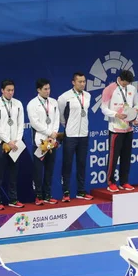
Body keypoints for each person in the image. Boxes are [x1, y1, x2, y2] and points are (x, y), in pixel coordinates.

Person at [101, 70, 138, 192]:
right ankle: (111, 182)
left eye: (127, 84)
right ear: (119, 79)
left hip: (128, 128)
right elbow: (104, 108)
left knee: (126, 156)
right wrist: (116, 114)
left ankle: (124, 181)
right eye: (124, 84)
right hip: (115, 129)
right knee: (114, 157)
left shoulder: (132, 89)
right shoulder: (109, 89)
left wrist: (137, 117)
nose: (125, 86)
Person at [58, 72, 93, 202]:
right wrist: (66, 126)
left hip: (83, 134)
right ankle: (66, 192)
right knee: (67, 164)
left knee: (82, 163)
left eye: (84, 81)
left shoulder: (88, 95)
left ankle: (81, 191)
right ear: (73, 82)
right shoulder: (64, 97)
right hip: (70, 135)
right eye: (80, 82)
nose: (82, 84)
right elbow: (60, 115)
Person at [0, 79, 25, 210]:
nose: (11, 93)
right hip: (2, 144)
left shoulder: (18, 104)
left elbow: (21, 123)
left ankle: (13, 199)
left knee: (13, 173)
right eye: (8, 90)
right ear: (2, 90)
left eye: (12, 90)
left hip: (15, 144)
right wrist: (7, 141)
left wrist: (17, 139)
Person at [26, 78, 60, 205]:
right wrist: (48, 133)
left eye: (49, 88)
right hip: (39, 142)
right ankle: (38, 196)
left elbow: (56, 119)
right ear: (38, 90)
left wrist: (54, 134)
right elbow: (35, 123)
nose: (48, 91)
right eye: (45, 89)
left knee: (50, 169)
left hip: (52, 140)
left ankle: (47, 195)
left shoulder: (54, 102)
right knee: (38, 171)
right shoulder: (32, 104)